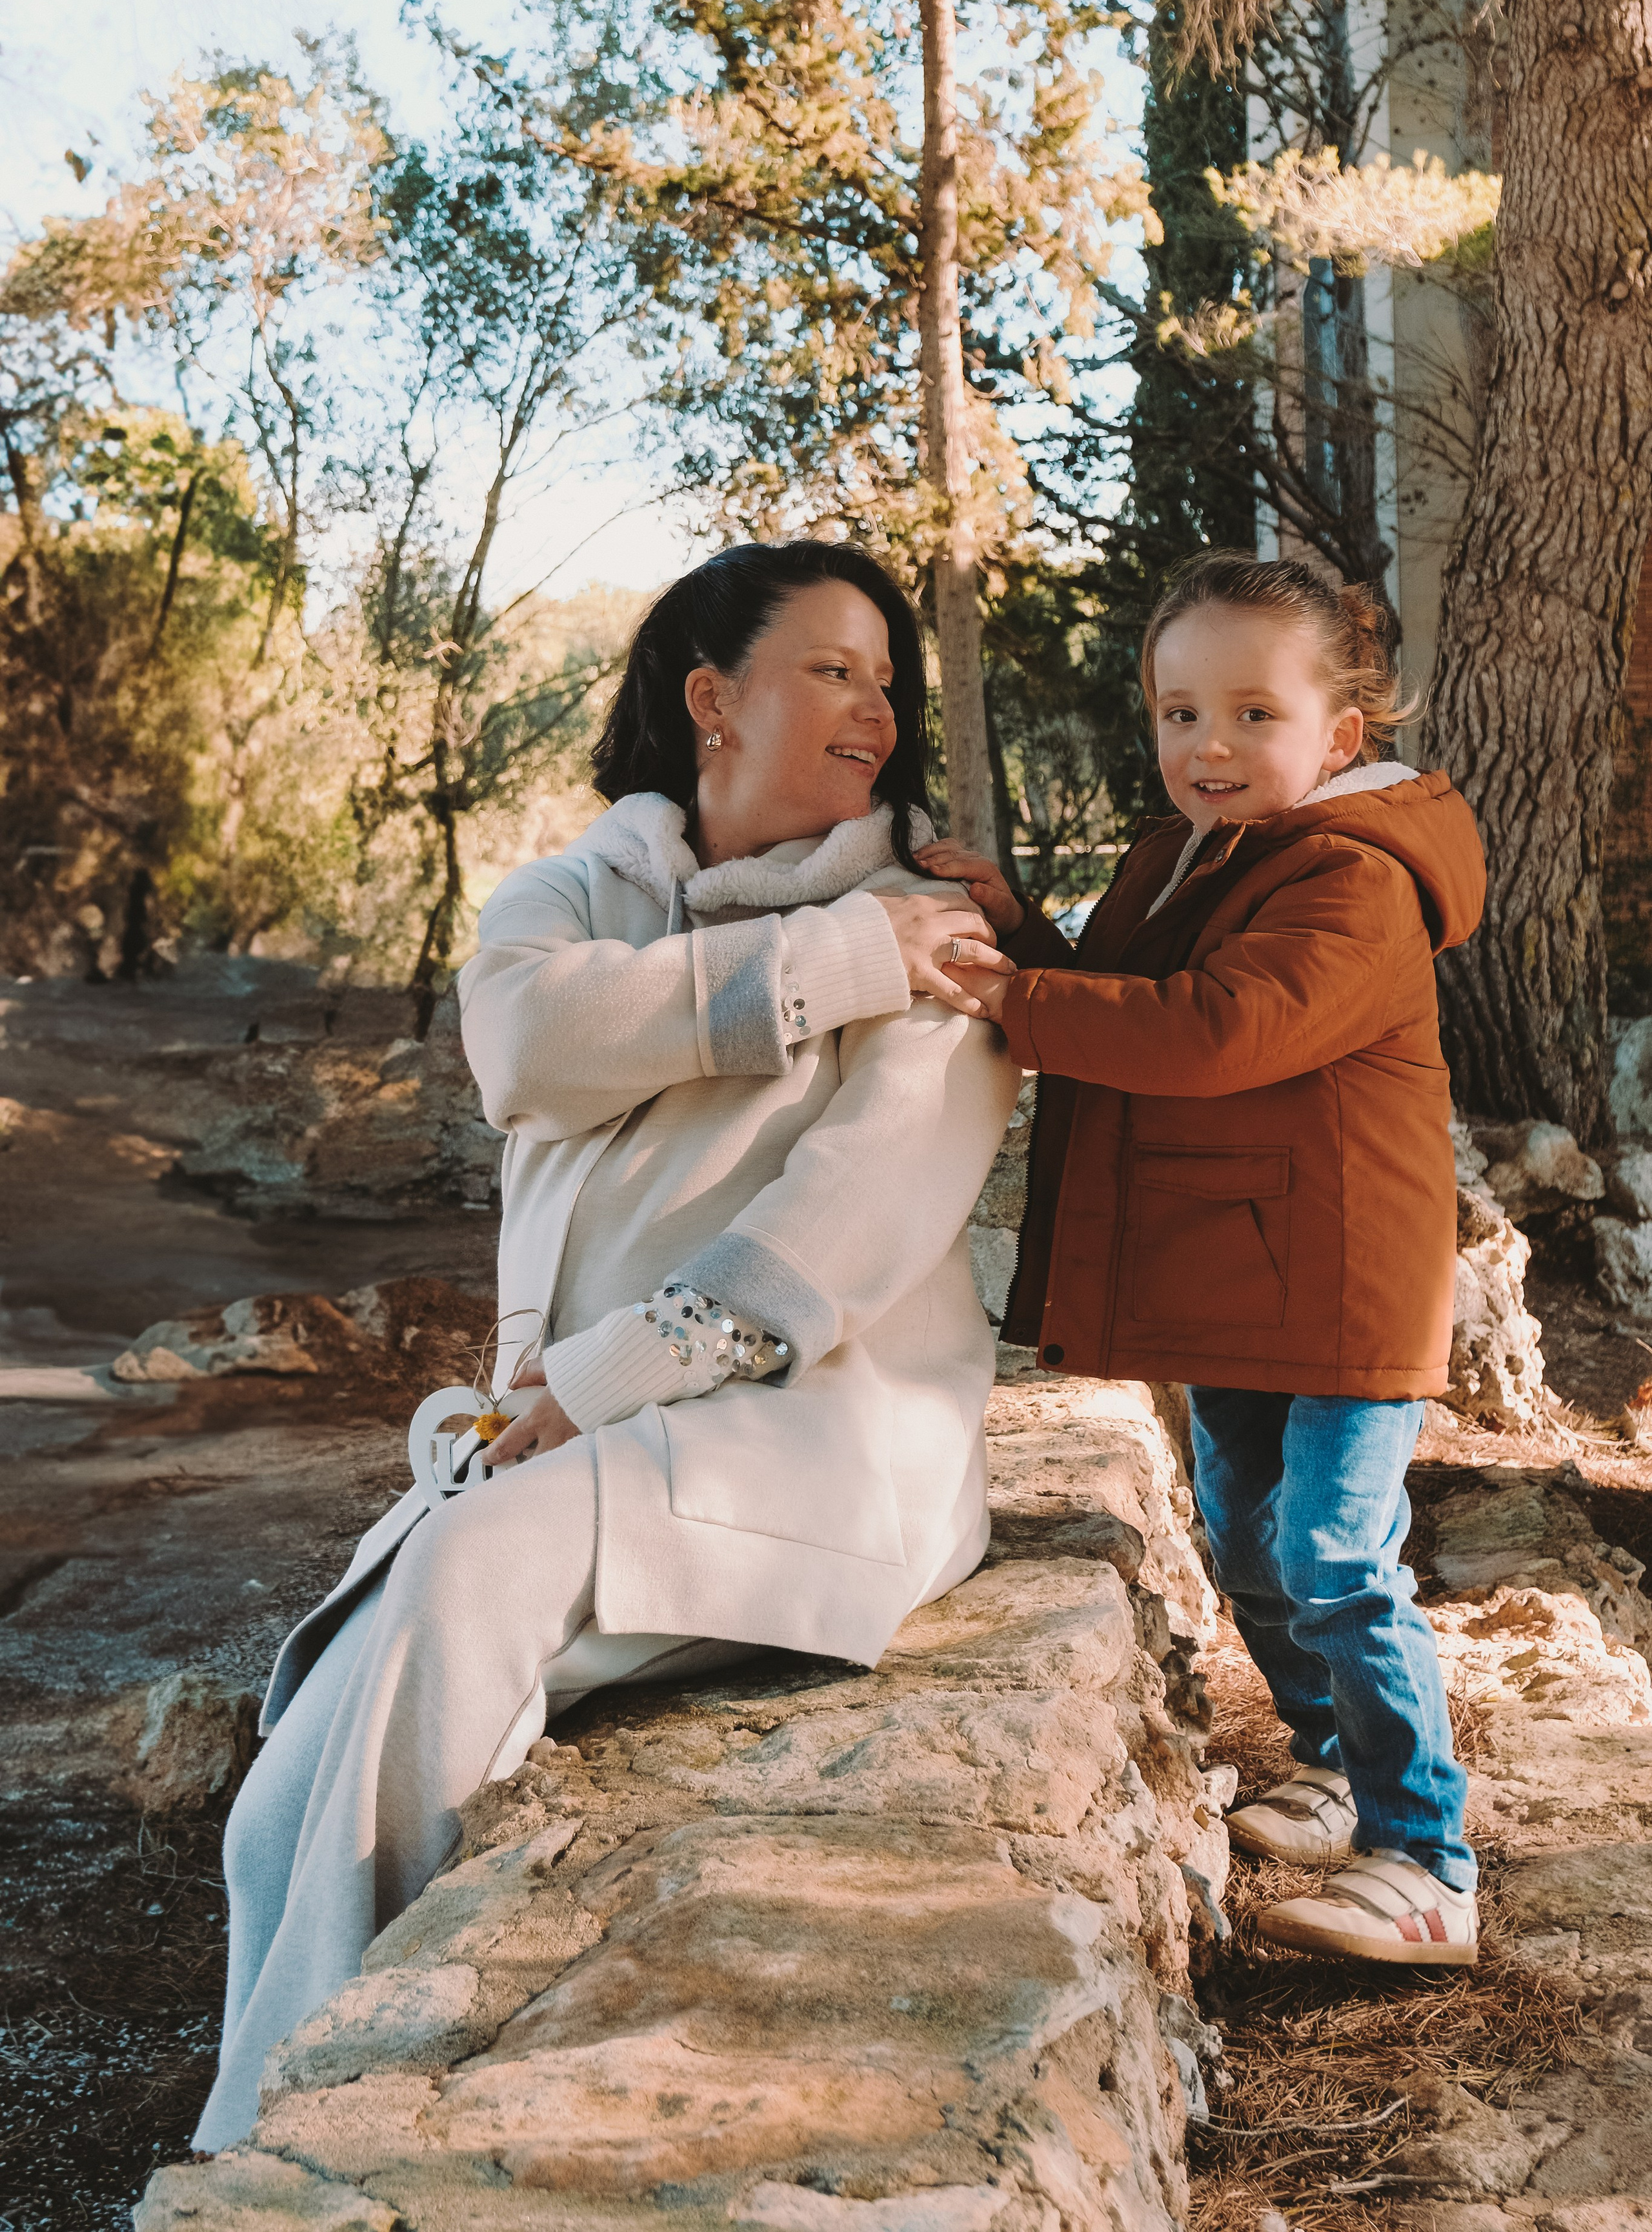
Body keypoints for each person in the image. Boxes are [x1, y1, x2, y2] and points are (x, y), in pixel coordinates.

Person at [194, 541, 1018, 2149]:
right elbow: (525, 1040)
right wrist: (834, 960)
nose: (876, 712)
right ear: (713, 698)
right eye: (831, 670)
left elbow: (837, 1231)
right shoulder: (586, 888)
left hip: (805, 1438)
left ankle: (280, 2140)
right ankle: (286, 2103)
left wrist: (592, 1387)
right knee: (283, 1787)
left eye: (887, 683)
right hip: (569, 1438)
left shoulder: (949, 931)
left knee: (457, 1584)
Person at [920, 549, 1487, 1967]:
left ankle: (1425, 1857)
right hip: (1247, 1263)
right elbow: (1134, 995)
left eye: (1249, 714)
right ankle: (1332, 1757)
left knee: (1336, 1553)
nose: (1208, 746)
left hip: (1350, 1273)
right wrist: (1012, 926)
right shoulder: (1188, 857)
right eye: (1179, 714)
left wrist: (1015, 1002)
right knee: (1241, 1536)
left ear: (1337, 738)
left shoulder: (1353, 882)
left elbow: (1214, 1031)